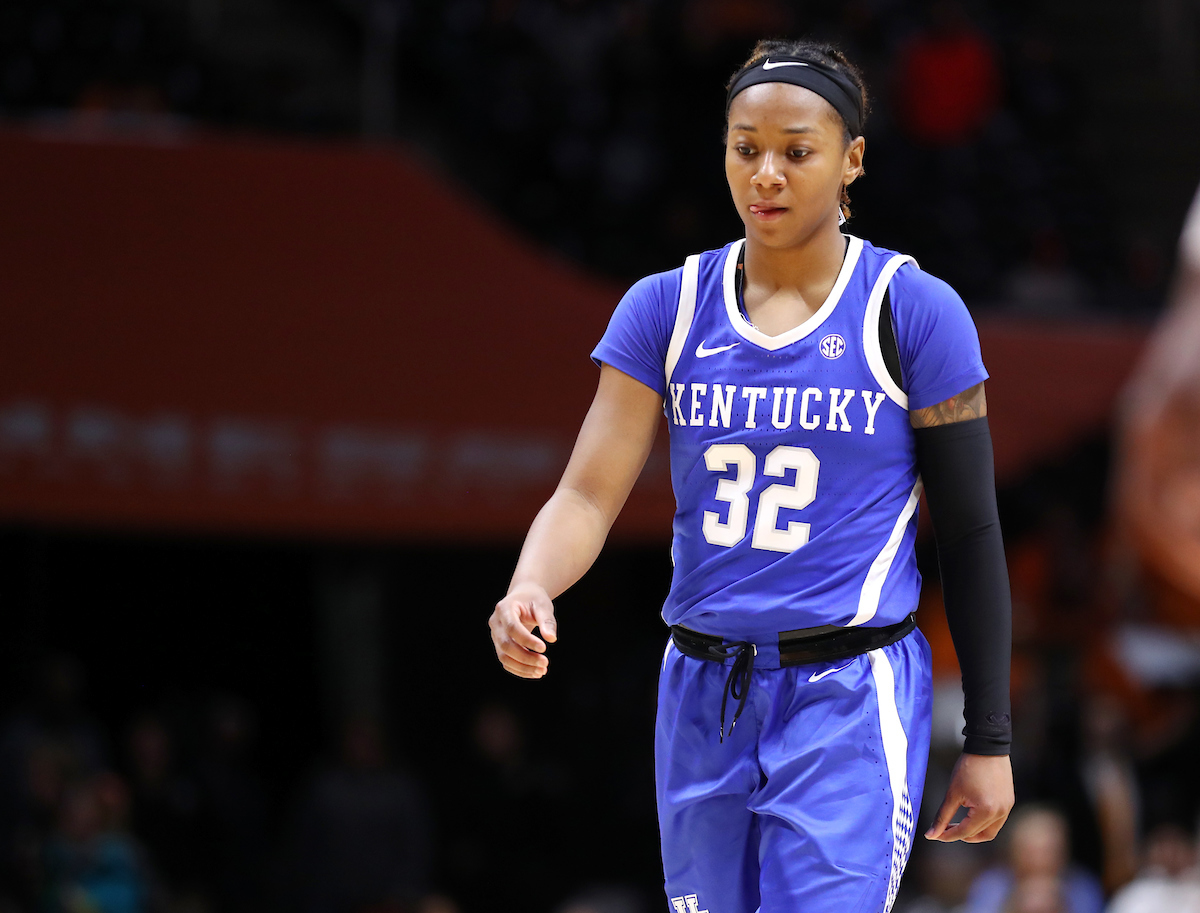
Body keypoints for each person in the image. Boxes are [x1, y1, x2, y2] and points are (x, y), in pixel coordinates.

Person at [489, 38, 1015, 913]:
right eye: (746, 148)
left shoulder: (915, 311)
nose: (766, 173)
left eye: (796, 152)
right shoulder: (667, 306)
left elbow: (969, 532)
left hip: (848, 692)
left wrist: (989, 737)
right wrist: (529, 585)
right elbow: (587, 492)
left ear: (851, 160)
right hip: (702, 688)